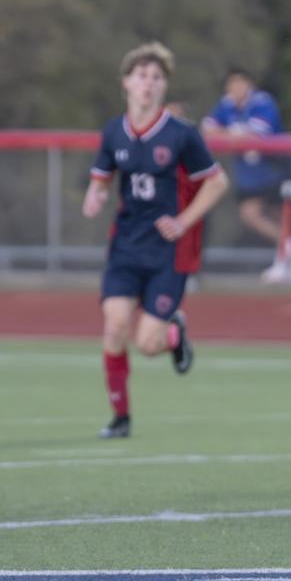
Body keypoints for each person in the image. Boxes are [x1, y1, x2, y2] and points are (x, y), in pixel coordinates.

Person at [83, 42, 229, 439]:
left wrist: (184, 221)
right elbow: (102, 176)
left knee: (147, 344)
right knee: (114, 328)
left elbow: (216, 183)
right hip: (126, 247)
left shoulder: (182, 134)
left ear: (164, 87)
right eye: (141, 76)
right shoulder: (114, 130)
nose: (148, 84)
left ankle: (173, 333)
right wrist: (95, 195)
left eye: (156, 78)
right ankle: (121, 418)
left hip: (168, 252)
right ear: (126, 82)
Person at [200, 68, 291, 282]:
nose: (236, 89)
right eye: (232, 84)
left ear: (249, 84)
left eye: (241, 83)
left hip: (274, 168)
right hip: (249, 174)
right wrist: (234, 135)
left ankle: (288, 254)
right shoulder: (226, 104)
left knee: (280, 214)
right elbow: (207, 129)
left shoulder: (262, 102)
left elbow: (255, 134)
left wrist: (231, 135)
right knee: (251, 214)